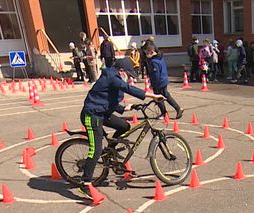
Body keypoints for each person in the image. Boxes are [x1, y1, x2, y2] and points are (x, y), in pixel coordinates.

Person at [77, 58, 164, 197]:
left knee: (124, 126)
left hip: (103, 113)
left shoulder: (114, 77)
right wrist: (152, 95)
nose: (129, 78)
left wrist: (125, 108)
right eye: (129, 75)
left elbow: (107, 98)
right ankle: (85, 183)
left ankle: (111, 148)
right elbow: (127, 89)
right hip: (92, 116)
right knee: (96, 149)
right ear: (122, 71)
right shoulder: (111, 76)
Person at [144, 42, 182, 120]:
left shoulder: (154, 61)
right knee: (166, 95)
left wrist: (153, 84)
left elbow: (156, 75)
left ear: (151, 51)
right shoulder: (159, 57)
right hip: (163, 80)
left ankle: (165, 113)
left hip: (159, 82)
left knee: (159, 97)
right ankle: (177, 109)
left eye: (147, 51)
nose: (146, 53)